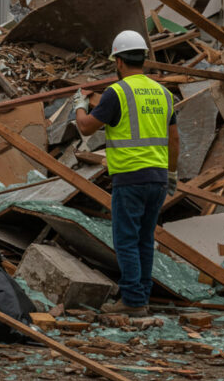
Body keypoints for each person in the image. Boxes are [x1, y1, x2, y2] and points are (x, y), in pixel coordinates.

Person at [73, 30, 179, 317]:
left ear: (118, 61)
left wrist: (79, 106)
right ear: (143, 58)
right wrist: (172, 174)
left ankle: (132, 301)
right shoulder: (163, 93)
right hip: (157, 179)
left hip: (130, 179)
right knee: (145, 239)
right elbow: (174, 138)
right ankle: (141, 297)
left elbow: (86, 128)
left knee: (126, 240)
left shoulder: (117, 93)